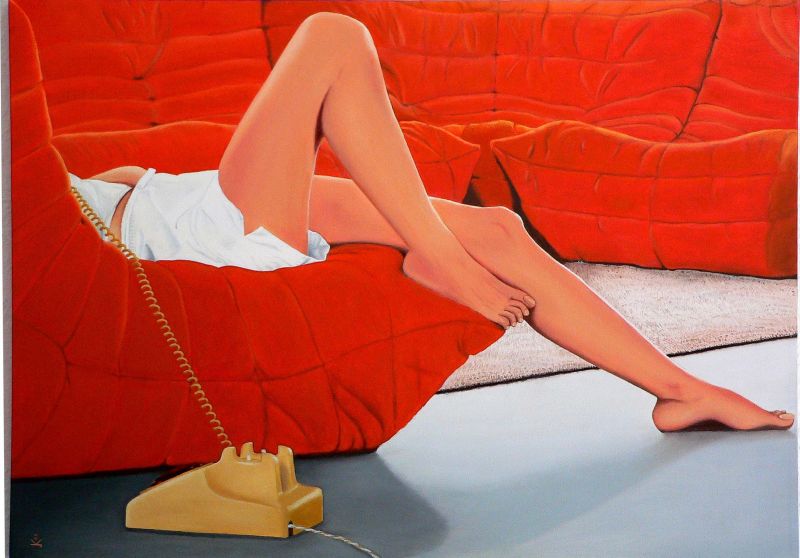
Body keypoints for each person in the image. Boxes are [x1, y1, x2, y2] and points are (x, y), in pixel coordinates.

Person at [71, 12, 794, 433]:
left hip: (168, 197)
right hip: (183, 230)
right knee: (332, 36)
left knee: (498, 229)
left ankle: (680, 390)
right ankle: (438, 256)